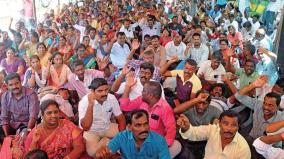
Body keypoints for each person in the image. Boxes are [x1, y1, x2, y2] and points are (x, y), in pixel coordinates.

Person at [119, 80, 181, 158]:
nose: (141, 92)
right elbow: (124, 106)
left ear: (150, 95)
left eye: (144, 91)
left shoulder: (165, 108)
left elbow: (171, 130)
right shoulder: (141, 100)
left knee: (176, 146)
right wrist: (127, 87)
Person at [79, 78, 126, 157]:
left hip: (107, 127)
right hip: (92, 131)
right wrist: (90, 104)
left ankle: (109, 143)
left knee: (129, 136)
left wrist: (122, 136)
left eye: (106, 90)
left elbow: (121, 118)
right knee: (92, 153)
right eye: (100, 91)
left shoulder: (111, 98)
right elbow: (86, 127)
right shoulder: (84, 101)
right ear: (93, 92)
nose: (104, 93)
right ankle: (107, 142)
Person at [95, 109, 171, 159]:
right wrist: (103, 155)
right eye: (138, 125)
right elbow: (108, 151)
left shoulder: (159, 140)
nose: (144, 129)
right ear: (129, 127)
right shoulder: (121, 137)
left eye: (146, 124)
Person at [177, 110, 251, 158]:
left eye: (233, 125)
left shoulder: (243, 148)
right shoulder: (212, 129)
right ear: (219, 123)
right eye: (225, 123)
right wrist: (186, 128)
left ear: (238, 127)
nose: (229, 128)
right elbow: (193, 133)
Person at [1, 73, 39, 137]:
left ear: (20, 82)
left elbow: (33, 116)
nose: (14, 87)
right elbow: (5, 118)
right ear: (7, 86)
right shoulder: (5, 96)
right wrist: (7, 136)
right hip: (13, 125)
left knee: (23, 134)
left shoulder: (31, 94)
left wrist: (28, 130)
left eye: (16, 83)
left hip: (28, 125)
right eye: (11, 85)